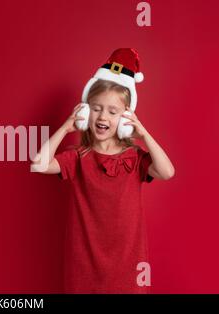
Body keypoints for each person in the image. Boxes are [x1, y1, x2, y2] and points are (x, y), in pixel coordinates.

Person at [31, 49, 175, 293]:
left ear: (126, 118)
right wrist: (67, 126)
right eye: (96, 108)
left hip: (127, 265)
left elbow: (167, 171)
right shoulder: (78, 157)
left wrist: (143, 134)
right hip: (85, 264)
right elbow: (39, 164)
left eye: (112, 111)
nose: (103, 116)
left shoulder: (134, 158)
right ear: (86, 113)